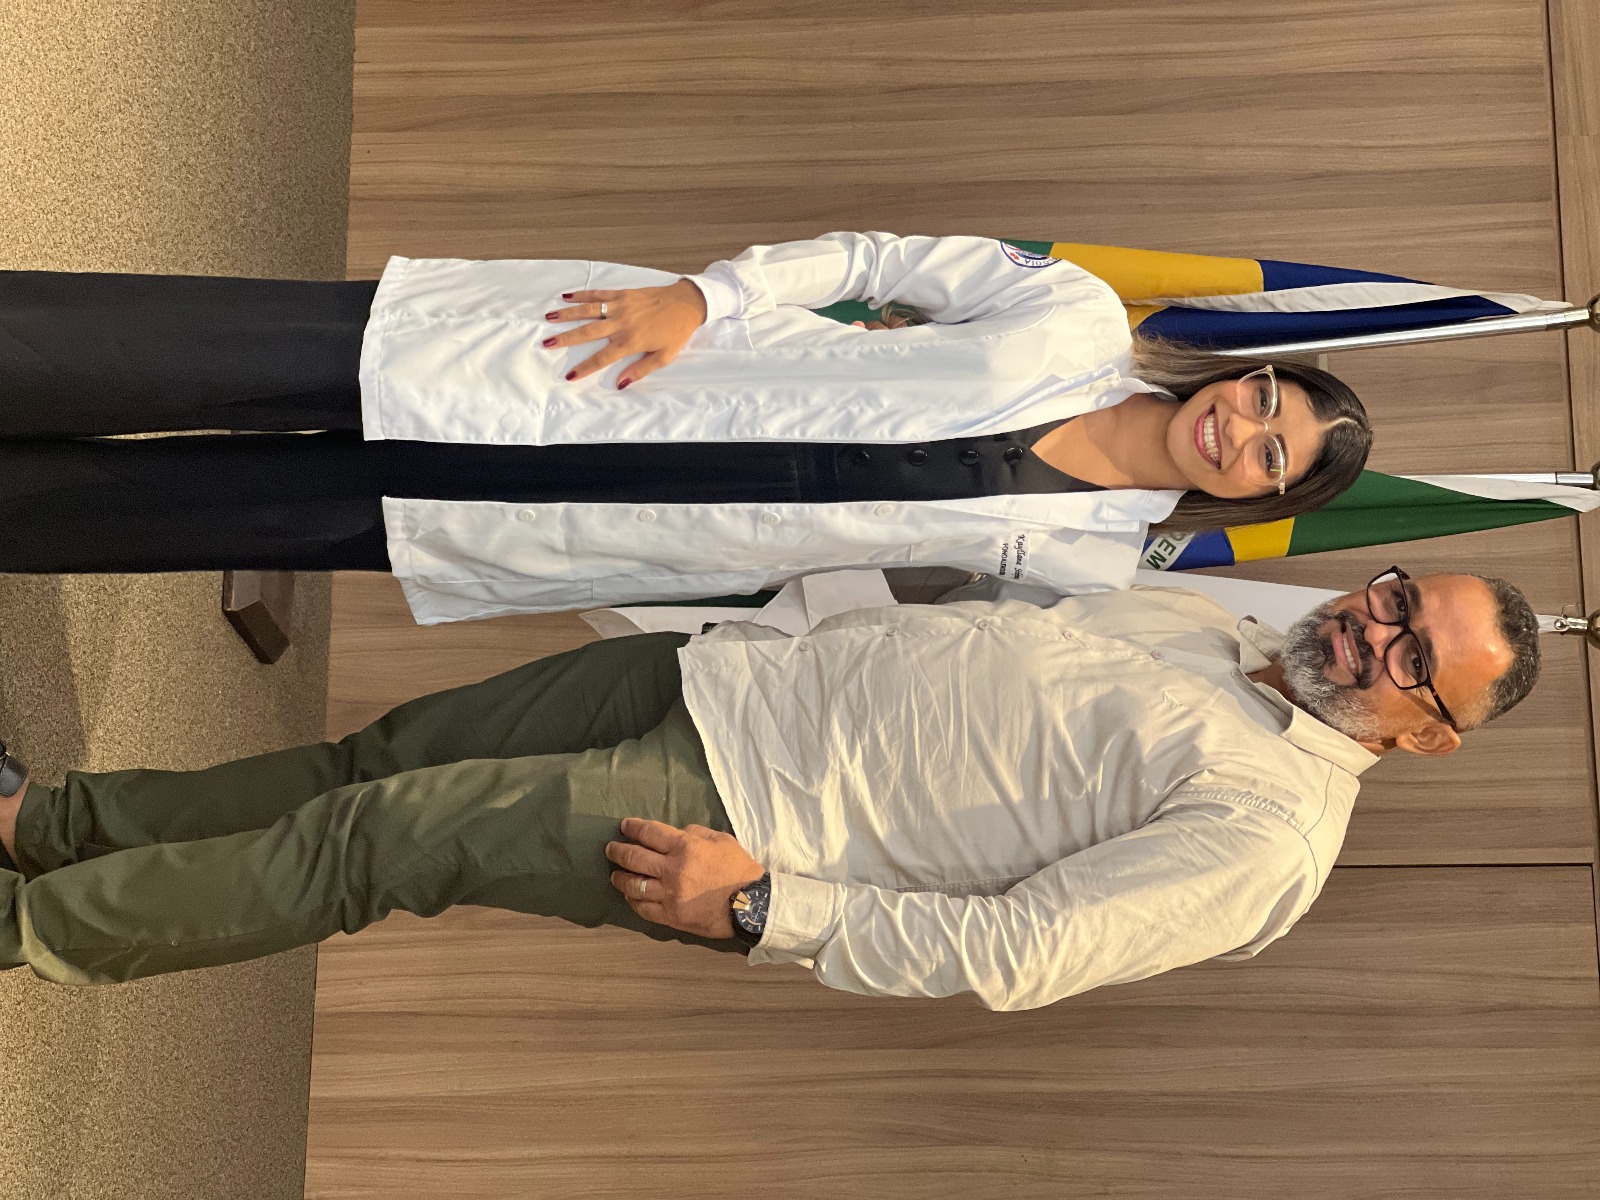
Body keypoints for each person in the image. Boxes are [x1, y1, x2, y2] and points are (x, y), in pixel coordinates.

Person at [0, 565, 1539, 1009]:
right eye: (1399, 599)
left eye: (1416, 656)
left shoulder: (1270, 840)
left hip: (734, 823)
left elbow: (1029, 948)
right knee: (377, 761)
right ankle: (43, 831)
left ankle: (32, 934)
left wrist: (766, 911)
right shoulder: (1219, 629)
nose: (1376, 628)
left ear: (1426, 736)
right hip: (717, 680)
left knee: (372, 841)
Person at [0, 233, 1371, 622]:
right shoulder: (1072, 314)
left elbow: (877, 626)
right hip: (605, 365)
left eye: (1272, 457)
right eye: (1266, 399)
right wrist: (701, 298)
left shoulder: (1089, 563)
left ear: (1256, 498)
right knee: (182, 357)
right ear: (1245, 374)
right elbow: (873, 261)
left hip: (584, 523)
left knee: (174, 516)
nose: (1242, 431)